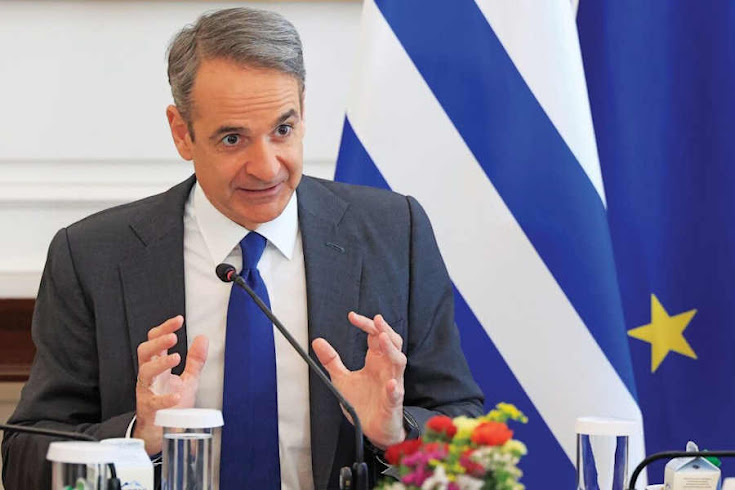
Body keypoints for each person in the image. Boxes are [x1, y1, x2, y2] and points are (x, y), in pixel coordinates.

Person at [1, 7, 483, 489]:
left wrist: (395, 433)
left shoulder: (395, 232)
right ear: (182, 133)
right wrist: (138, 438)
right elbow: (22, 459)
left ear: (303, 112)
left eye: (282, 130)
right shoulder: (92, 257)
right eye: (233, 138)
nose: (266, 167)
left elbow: (468, 430)